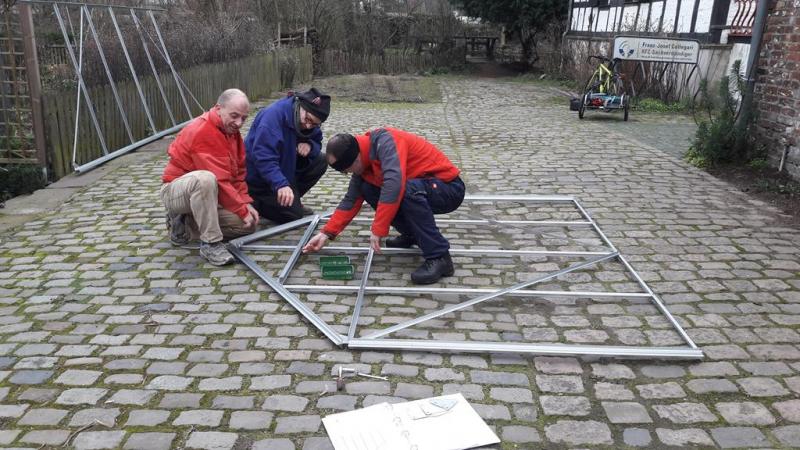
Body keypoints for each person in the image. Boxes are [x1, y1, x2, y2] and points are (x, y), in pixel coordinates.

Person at [303, 128, 466, 284]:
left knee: (406, 190)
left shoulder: (386, 143)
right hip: (421, 186)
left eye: (347, 170)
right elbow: (350, 201)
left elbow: (394, 185)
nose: (349, 173)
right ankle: (412, 234)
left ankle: (439, 257)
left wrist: (378, 229)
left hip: (448, 188)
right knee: (368, 188)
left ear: (356, 159)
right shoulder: (363, 162)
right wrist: (326, 233)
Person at [160, 88, 259, 266]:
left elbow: (238, 175)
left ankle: (185, 225)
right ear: (218, 108)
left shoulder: (231, 133)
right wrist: (242, 210)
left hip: (206, 194)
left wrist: (245, 203)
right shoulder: (203, 131)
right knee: (205, 179)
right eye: (234, 116)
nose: (239, 123)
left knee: (246, 225)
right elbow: (220, 181)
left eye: (243, 118)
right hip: (175, 191)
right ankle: (211, 244)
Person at [245, 88, 331, 223]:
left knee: (321, 160)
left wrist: (310, 145)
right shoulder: (272, 118)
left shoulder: (308, 121)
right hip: (259, 180)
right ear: (300, 106)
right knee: (293, 215)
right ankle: (254, 202)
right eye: (307, 119)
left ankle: (289, 198)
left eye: (315, 124)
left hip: (284, 168)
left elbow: (317, 140)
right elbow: (264, 158)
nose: (308, 126)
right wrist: (280, 184)